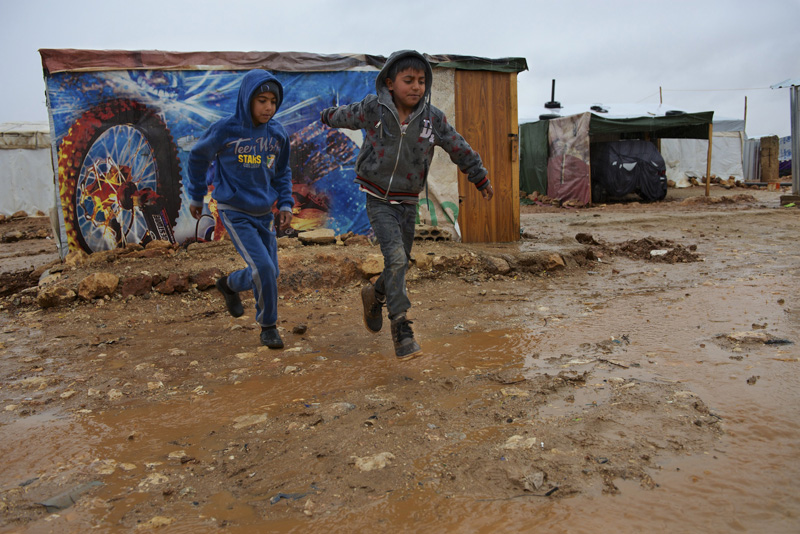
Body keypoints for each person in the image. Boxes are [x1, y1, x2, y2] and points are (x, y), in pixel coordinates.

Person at [320, 50, 493, 360]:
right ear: (390, 82)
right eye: (408, 80)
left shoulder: (433, 119)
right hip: (378, 197)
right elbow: (346, 115)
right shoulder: (374, 109)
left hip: (409, 199)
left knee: (400, 261)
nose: (416, 87)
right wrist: (326, 116)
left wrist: (479, 176)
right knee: (397, 259)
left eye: (422, 81)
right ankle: (401, 326)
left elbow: (458, 146)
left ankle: (374, 295)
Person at [187, 70, 294, 348]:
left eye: (273, 100)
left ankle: (229, 285)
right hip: (234, 209)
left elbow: (282, 172)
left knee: (270, 272)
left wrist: (284, 203)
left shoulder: (277, 134)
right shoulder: (226, 129)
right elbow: (198, 156)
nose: (268, 107)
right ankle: (268, 325)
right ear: (247, 99)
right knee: (263, 268)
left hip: (264, 213)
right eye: (261, 100)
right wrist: (197, 196)